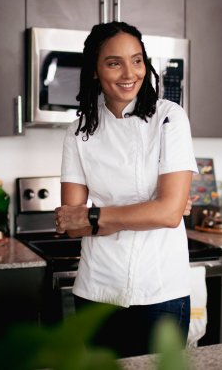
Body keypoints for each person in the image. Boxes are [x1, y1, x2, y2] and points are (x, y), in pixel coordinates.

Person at [54, 21, 198, 358]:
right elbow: (73, 226)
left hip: (161, 290)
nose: (129, 72)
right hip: (96, 289)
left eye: (137, 60)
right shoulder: (78, 132)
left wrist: (97, 216)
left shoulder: (169, 118)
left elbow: (166, 213)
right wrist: (155, 211)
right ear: (94, 70)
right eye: (114, 62)